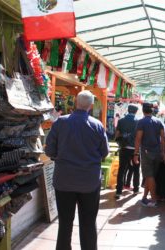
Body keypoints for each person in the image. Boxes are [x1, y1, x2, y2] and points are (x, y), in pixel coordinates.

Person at [45, 90, 109, 250]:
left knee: (65, 223)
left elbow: (49, 150)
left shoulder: (60, 123)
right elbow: (104, 152)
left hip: (64, 181)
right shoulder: (97, 125)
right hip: (89, 182)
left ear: (75, 102)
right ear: (91, 105)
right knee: (88, 223)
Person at [133, 102, 165, 207]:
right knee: (150, 176)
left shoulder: (141, 122)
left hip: (146, 152)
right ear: (152, 111)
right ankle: (144, 197)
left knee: (149, 175)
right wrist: (164, 153)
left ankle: (153, 200)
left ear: (143, 111)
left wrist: (135, 153)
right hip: (157, 152)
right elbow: (163, 138)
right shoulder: (158, 121)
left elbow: (138, 138)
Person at [115, 104, 140, 199]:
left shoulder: (121, 121)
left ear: (128, 110)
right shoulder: (138, 122)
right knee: (136, 169)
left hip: (124, 148)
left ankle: (118, 191)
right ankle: (136, 189)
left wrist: (120, 144)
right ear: (136, 111)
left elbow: (117, 135)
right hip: (135, 149)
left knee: (122, 169)